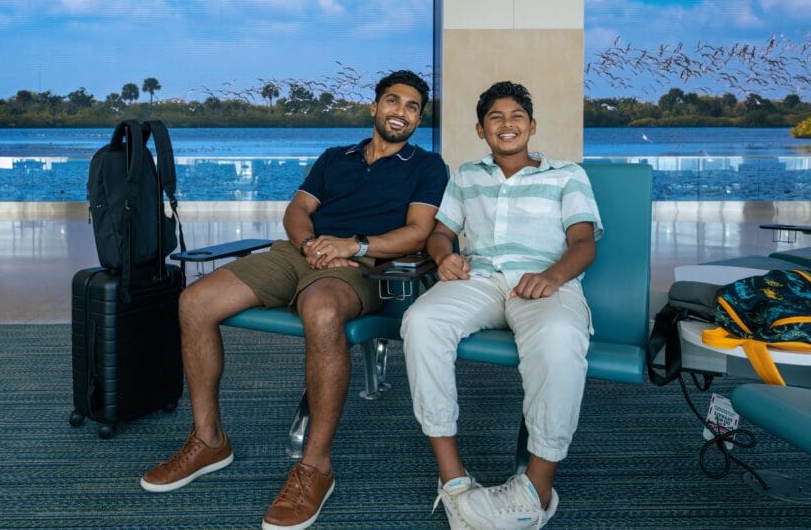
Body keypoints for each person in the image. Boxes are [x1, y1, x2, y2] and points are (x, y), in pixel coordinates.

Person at [141, 70, 448, 530]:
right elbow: (297, 210)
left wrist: (353, 246)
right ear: (375, 107)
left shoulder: (428, 167)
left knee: (322, 312)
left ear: (418, 119)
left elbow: (418, 232)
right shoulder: (334, 158)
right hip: (299, 253)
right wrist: (309, 244)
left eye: (411, 107)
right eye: (392, 101)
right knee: (195, 302)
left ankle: (315, 467)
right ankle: (208, 440)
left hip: (362, 266)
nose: (400, 112)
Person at [401, 81, 602, 530]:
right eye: (495, 118)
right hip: (482, 280)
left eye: (516, 117)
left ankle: (536, 490)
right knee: (421, 320)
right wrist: (442, 255)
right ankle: (452, 480)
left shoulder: (568, 175)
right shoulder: (467, 176)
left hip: (545, 283)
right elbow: (441, 232)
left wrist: (552, 276)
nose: (506, 124)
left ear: (532, 126)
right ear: (480, 129)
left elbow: (584, 243)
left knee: (560, 339)